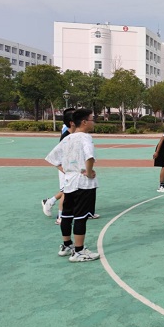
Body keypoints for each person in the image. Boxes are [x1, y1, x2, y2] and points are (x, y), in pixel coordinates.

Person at [44, 108, 101, 262]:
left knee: (67, 215)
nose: (93, 122)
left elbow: (53, 159)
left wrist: (68, 171)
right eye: (92, 119)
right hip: (83, 184)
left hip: (69, 182)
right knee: (81, 217)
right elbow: (90, 157)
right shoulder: (85, 138)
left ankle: (66, 245)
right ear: (84, 122)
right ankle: (79, 251)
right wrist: (88, 172)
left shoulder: (68, 138)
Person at [42, 108, 76, 219]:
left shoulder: (74, 133)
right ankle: (60, 216)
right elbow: (57, 157)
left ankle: (50, 202)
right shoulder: (66, 135)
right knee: (66, 192)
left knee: (71, 190)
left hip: (72, 167)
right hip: (65, 168)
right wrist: (64, 169)